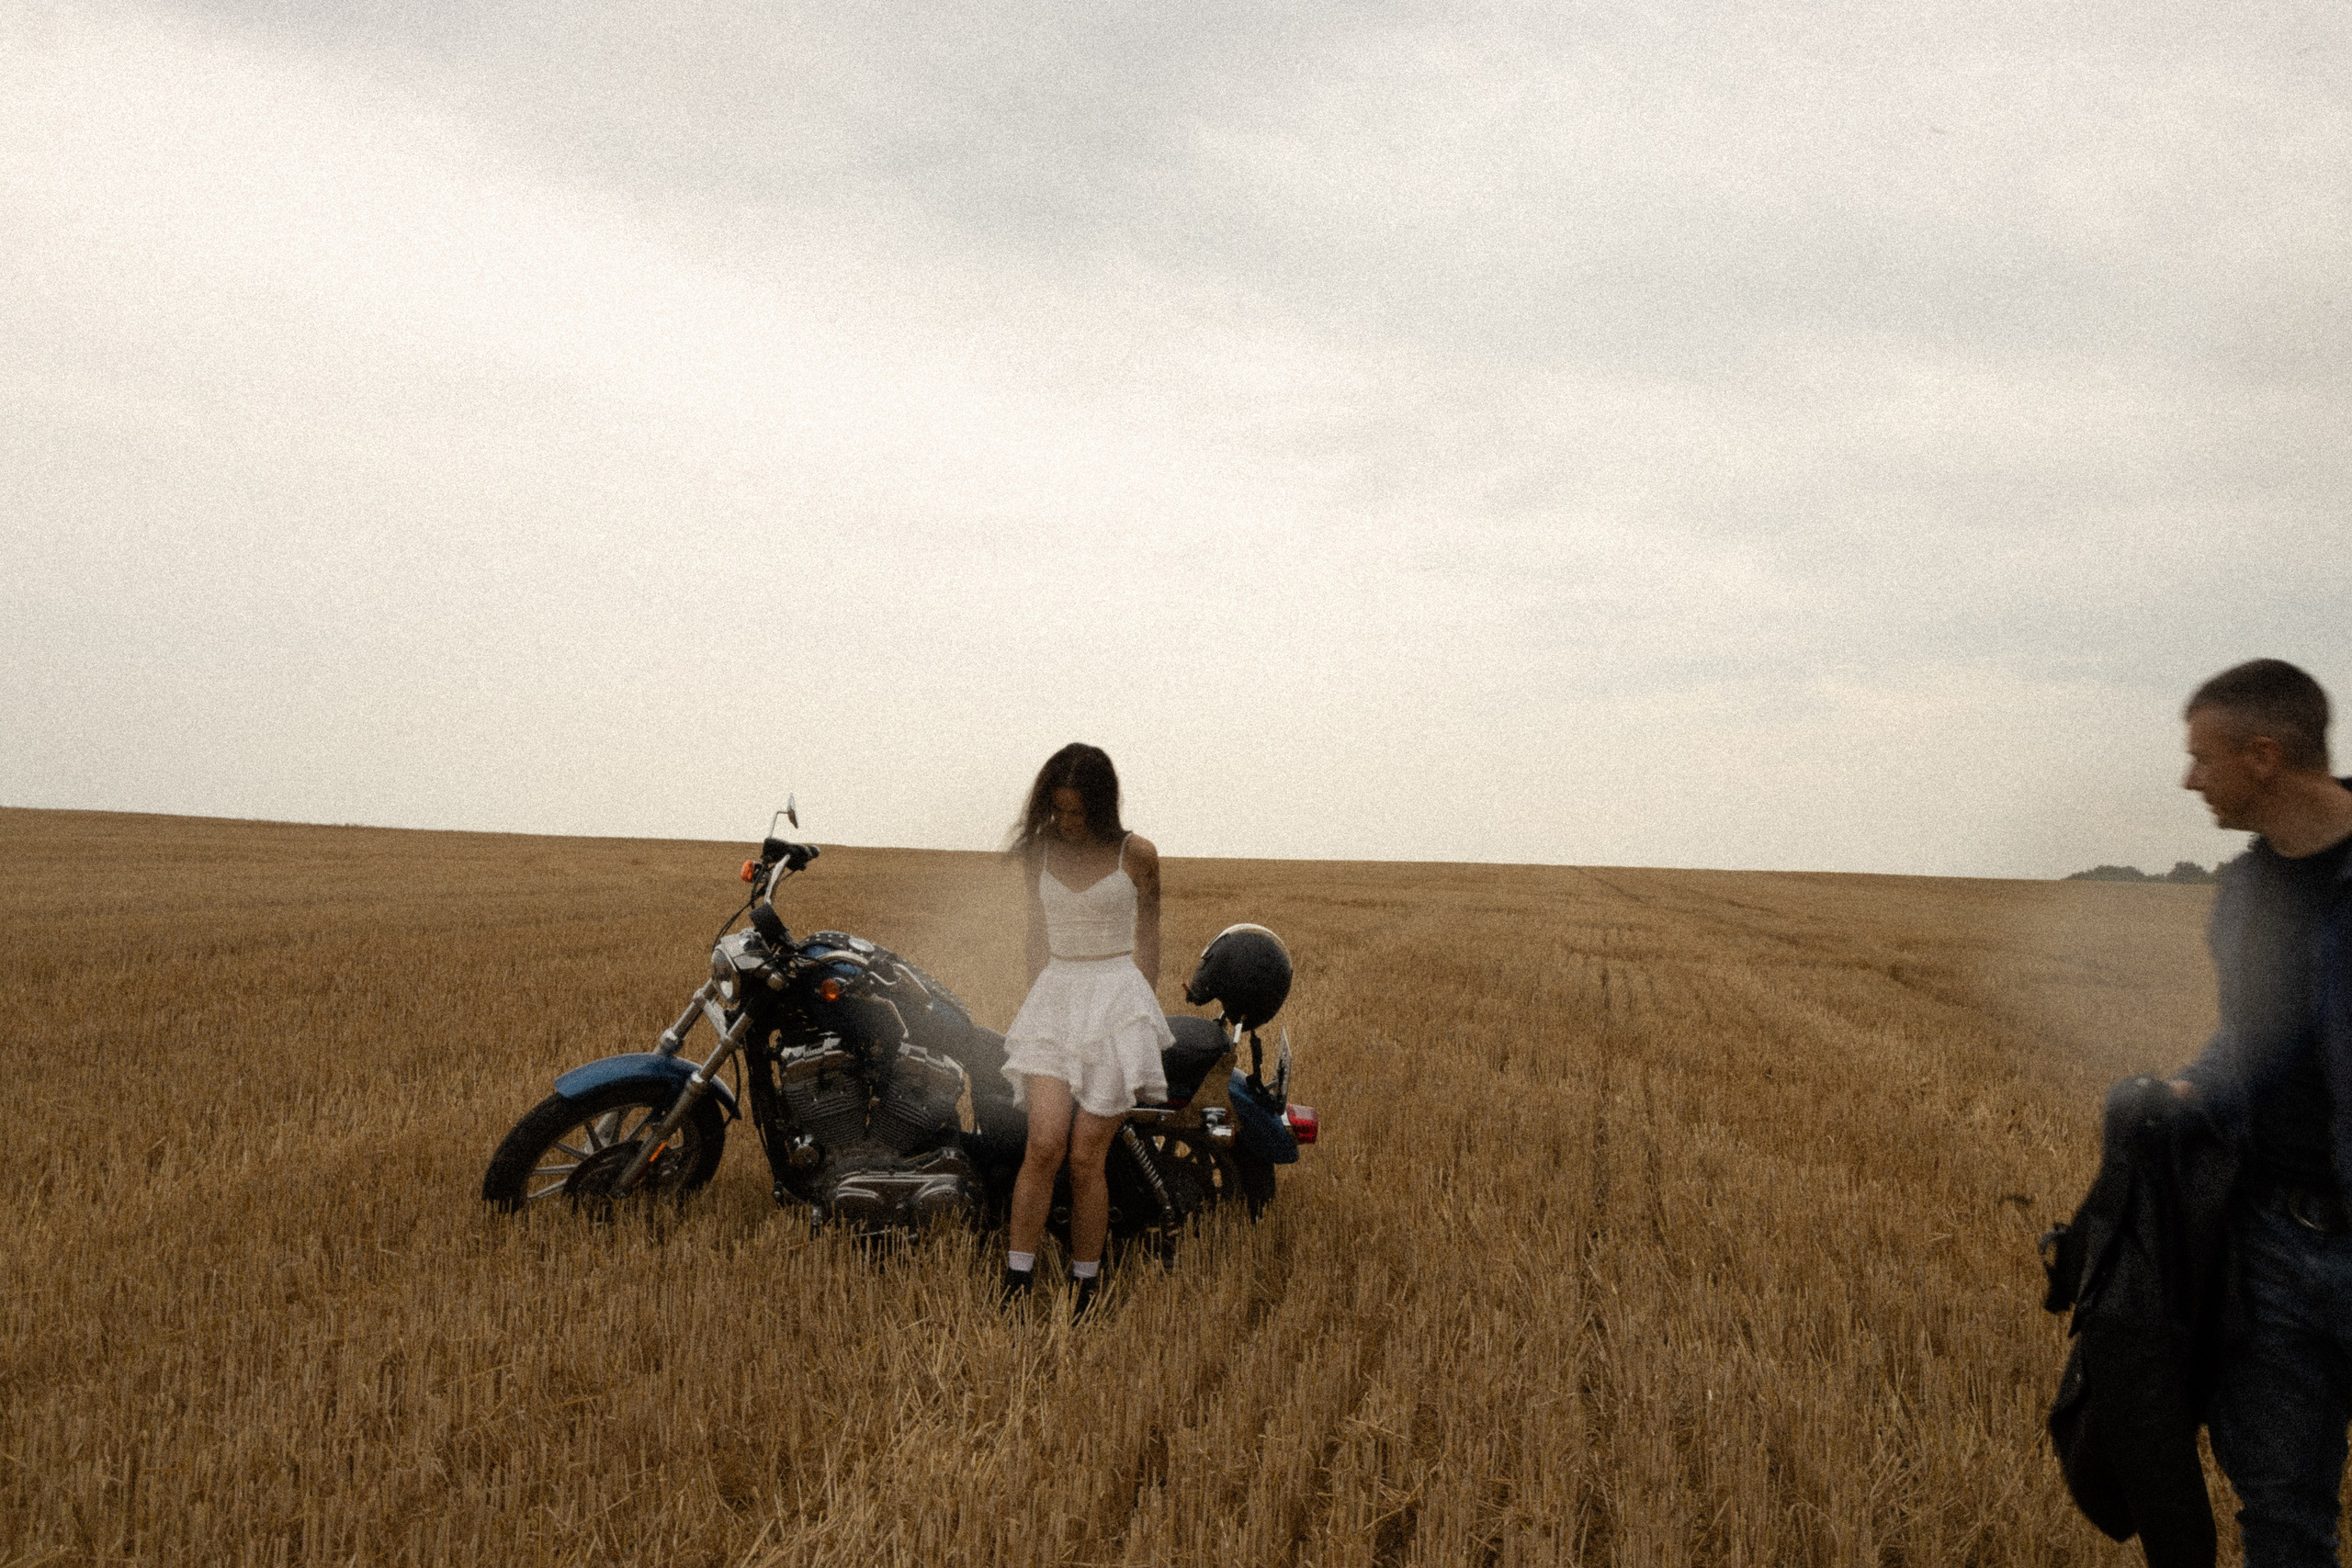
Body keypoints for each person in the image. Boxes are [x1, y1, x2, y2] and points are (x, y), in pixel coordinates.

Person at [2169, 659, 2352, 1566]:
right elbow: (2249, 1043)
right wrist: (2187, 1091)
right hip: (2274, 1248)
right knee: (2280, 1520)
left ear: (2264, 755)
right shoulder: (2244, 895)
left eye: (2203, 758)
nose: (2188, 778)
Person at [998, 743, 1171, 1315]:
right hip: (1055, 996)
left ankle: (1086, 1287)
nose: (1067, 823)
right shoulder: (1040, 854)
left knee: (1084, 1158)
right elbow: (1033, 933)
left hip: (1117, 998)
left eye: (1078, 813)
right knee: (1044, 1145)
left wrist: (1141, 1013)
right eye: (1058, 811)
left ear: (1102, 808)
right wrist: (1031, 1000)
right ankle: (1016, 1284)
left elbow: (1149, 936)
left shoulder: (1137, 854)